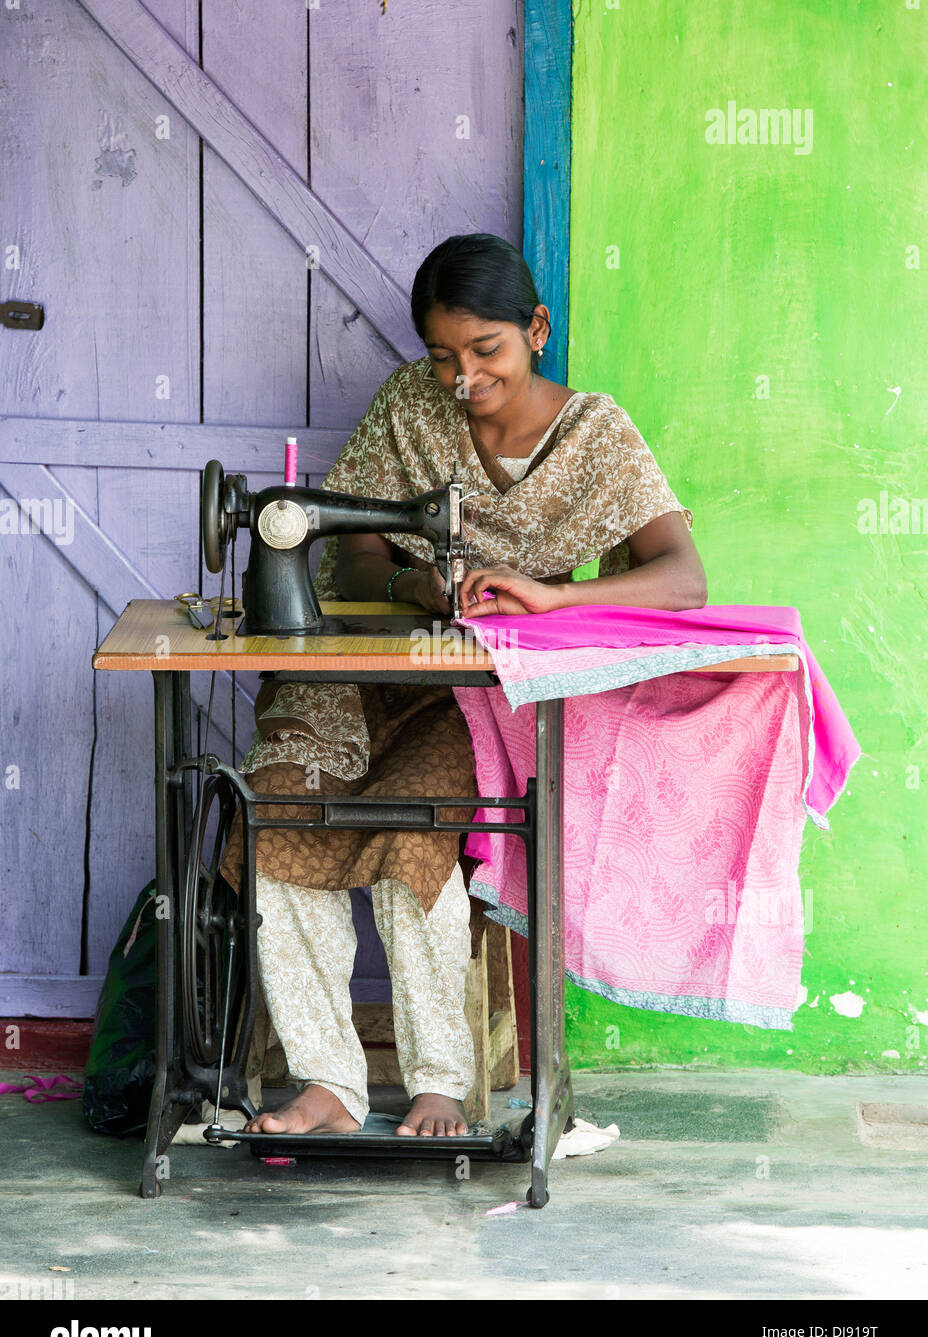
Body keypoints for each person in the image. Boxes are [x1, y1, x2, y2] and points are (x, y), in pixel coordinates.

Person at [220, 232, 706, 1138]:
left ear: (538, 328)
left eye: (487, 351)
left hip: (482, 699)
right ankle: (327, 1080)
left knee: (419, 829)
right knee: (279, 811)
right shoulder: (409, 406)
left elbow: (683, 579)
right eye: (444, 356)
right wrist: (415, 585)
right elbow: (357, 539)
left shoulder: (596, 433)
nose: (462, 378)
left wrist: (551, 597)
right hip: (371, 669)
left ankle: (440, 1078)